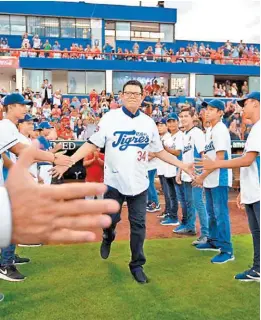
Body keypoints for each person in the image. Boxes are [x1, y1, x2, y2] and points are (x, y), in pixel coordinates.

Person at [51, 80, 192, 284]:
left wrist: (182, 164)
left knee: (139, 225)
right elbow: (92, 144)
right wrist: (71, 160)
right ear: (122, 96)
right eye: (129, 93)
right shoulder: (110, 118)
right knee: (111, 220)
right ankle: (108, 236)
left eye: (137, 93)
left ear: (143, 97)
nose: (133, 96)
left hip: (139, 183)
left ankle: (137, 264)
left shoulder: (148, 123)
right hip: (114, 182)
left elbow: (159, 150)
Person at [196, 92, 260, 279]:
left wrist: (215, 165)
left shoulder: (253, 128)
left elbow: (247, 160)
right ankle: (257, 268)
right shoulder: (253, 129)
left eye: (245, 103)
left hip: (241, 184)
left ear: (256, 104)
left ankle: (227, 250)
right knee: (255, 231)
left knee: (222, 214)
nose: (242, 108)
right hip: (252, 188)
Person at [193, 99, 234, 264]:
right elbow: (208, 158)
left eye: (212, 109)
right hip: (210, 178)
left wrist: (202, 176)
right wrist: (202, 174)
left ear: (220, 112)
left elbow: (220, 159)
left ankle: (227, 250)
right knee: (211, 212)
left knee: (220, 214)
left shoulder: (220, 130)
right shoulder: (210, 130)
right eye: (206, 109)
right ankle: (214, 240)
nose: (207, 112)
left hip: (219, 178)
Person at [176, 107, 209, 246]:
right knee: (190, 203)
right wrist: (179, 172)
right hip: (186, 174)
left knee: (199, 204)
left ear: (192, 117)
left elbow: (203, 154)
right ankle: (190, 227)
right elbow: (184, 157)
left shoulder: (197, 133)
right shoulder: (184, 134)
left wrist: (201, 174)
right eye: (181, 116)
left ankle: (206, 234)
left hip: (196, 175)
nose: (183, 118)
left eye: (186, 116)